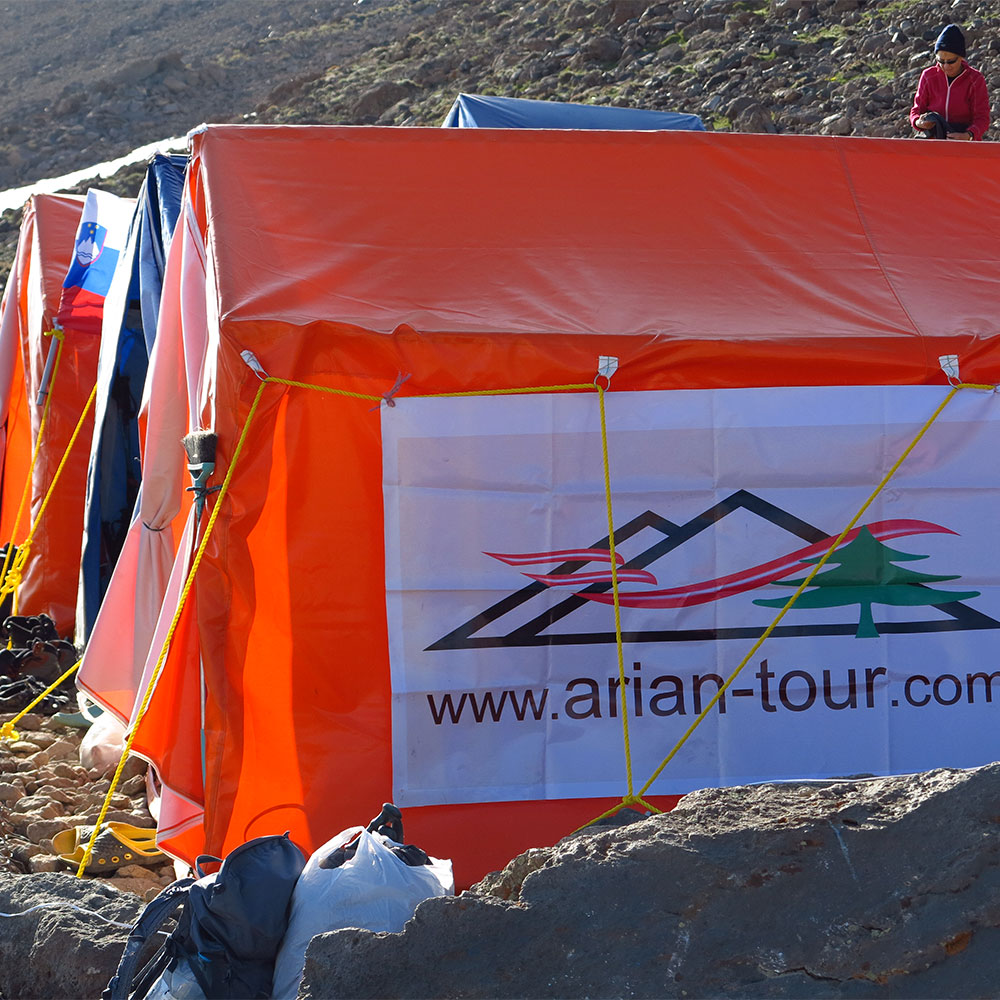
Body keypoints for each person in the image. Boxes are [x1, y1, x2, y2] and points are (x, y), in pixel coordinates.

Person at [909, 24, 990, 140]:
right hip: (933, 141)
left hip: (964, 142)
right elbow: (916, 111)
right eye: (941, 61)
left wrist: (968, 135)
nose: (946, 66)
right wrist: (919, 122)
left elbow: (982, 118)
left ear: (961, 57)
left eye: (951, 61)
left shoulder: (975, 79)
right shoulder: (928, 76)